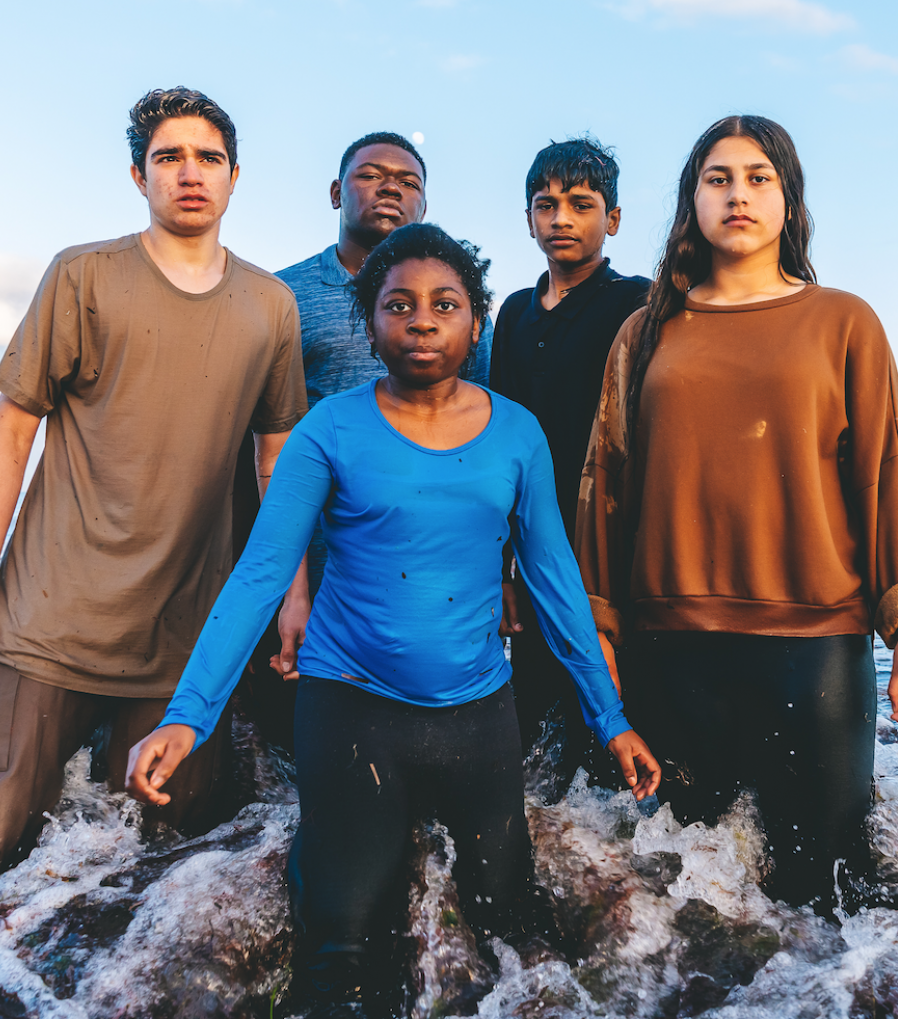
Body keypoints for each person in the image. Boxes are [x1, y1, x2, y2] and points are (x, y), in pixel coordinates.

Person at [126, 223, 659, 1008]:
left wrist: (610, 718)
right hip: (351, 706)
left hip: (477, 713)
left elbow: (554, 583)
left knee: (509, 921)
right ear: (370, 324)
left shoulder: (517, 433)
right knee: (340, 940)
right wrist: (187, 717)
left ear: (474, 322)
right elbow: (261, 576)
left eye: (444, 304)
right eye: (398, 305)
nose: (421, 320)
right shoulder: (329, 430)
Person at [0, 87, 307, 915]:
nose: (189, 174)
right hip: (46, 620)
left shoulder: (269, 308)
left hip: (181, 635)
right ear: (138, 174)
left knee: (154, 858)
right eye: (169, 157)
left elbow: (278, 458)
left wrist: (295, 593)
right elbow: (13, 425)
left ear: (236, 177)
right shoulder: (84, 275)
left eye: (208, 157)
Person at [576, 114, 898, 910]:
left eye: (759, 178)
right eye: (718, 179)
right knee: (691, 895)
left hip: (815, 646)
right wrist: (600, 630)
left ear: (789, 201)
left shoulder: (843, 321)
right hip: (672, 648)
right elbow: (605, 486)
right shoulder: (645, 331)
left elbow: (885, 479)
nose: (739, 195)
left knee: (825, 897)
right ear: (693, 203)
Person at [240, 132, 493, 747]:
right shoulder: (282, 296)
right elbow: (262, 439)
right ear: (335, 192)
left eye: (408, 182)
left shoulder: (459, 310)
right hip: (317, 561)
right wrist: (286, 587)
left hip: (427, 569)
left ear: (424, 206)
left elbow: (478, 436)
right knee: (305, 751)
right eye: (371, 175)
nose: (390, 189)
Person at [490, 137, 649, 777]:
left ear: (611, 219)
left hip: (614, 539)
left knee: (617, 698)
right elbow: (495, 440)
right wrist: (500, 568)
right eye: (545, 204)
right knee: (534, 718)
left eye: (581, 204)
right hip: (533, 540)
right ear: (527, 219)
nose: (561, 218)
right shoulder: (512, 314)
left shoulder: (638, 303)